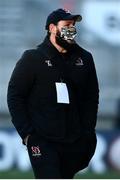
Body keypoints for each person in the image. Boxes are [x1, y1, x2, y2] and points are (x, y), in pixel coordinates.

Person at [7, 8, 99, 179]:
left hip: (75, 141)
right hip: (43, 140)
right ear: (52, 28)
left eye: (73, 25)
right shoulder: (32, 58)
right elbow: (15, 96)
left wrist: (88, 133)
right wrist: (28, 135)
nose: (71, 29)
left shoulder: (85, 59)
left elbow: (91, 99)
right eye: (66, 25)